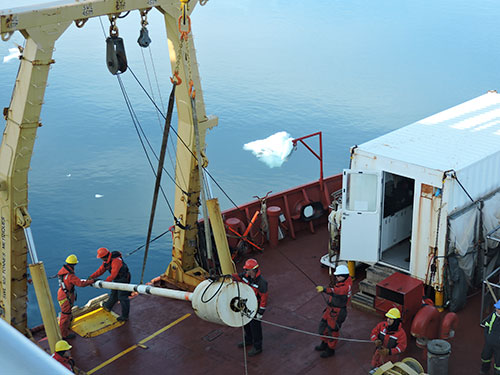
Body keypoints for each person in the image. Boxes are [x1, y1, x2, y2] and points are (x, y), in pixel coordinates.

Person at [232, 258, 268, 356]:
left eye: (247, 269)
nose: (246, 271)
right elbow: (237, 277)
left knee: (255, 327)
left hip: (255, 308)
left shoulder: (262, 282)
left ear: (253, 270)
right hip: (246, 305)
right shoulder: (245, 276)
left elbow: (264, 299)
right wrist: (227, 277)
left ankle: (257, 347)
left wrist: (260, 313)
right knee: (246, 324)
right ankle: (248, 340)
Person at [315, 264, 352, 358]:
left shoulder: (345, 287)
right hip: (330, 310)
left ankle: (330, 349)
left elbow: (335, 291)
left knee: (333, 331)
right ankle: (324, 342)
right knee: (323, 326)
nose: (337, 277)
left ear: (344, 276)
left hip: (338, 313)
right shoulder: (342, 283)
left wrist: (323, 289)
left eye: (338, 276)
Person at [57, 254, 94, 339]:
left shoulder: (63, 272)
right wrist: (91, 281)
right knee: (65, 314)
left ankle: (66, 328)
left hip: (63, 293)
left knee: (67, 313)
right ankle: (64, 335)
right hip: (66, 296)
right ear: (74, 264)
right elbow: (80, 283)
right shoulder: (70, 276)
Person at [90, 247, 131, 322]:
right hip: (117, 279)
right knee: (114, 293)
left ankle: (125, 316)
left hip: (123, 279)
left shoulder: (116, 261)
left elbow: (113, 275)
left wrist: (104, 283)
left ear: (103, 257)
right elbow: (100, 271)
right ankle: (108, 306)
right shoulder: (106, 262)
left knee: (122, 297)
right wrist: (91, 277)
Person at [481, 300, 500, 374]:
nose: (496, 310)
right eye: (497, 308)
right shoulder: (493, 315)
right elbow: (487, 324)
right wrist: (487, 337)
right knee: (485, 356)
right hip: (489, 343)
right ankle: (484, 370)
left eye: (498, 309)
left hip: (499, 346)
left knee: (498, 362)